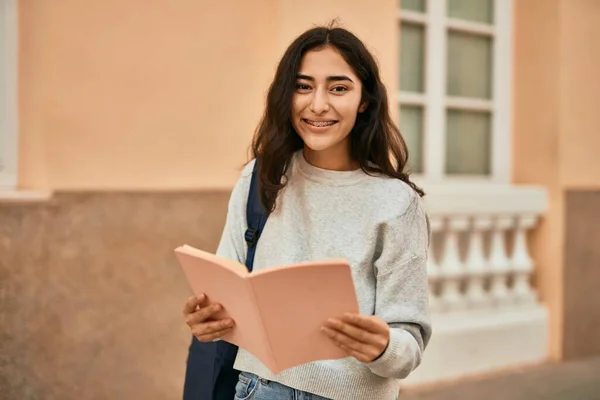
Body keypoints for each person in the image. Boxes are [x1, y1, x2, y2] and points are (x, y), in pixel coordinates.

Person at [182, 23, 431, 400]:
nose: (317, 104)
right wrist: (208, 320)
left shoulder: (396, 203)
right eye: (303, 86)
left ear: (365, 100)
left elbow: (408, 346)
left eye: (338, 88)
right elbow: (225, 287)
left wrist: (383, 347)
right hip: (256, 390)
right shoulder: (261, 176)